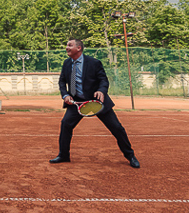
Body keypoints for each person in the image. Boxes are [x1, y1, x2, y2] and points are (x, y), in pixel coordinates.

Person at [50, 38, 140, 168]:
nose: (67, 47)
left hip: (97, 102)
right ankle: (64, 155)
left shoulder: (94, 63)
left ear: (79, 48)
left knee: (117, 128)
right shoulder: (66, 63)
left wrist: (101, 90)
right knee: (65, 125)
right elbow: (62, 82)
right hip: (77, 102)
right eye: (67, 45)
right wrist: (65, 95)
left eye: (70, 45)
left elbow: (103, 80)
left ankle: (130, 155)